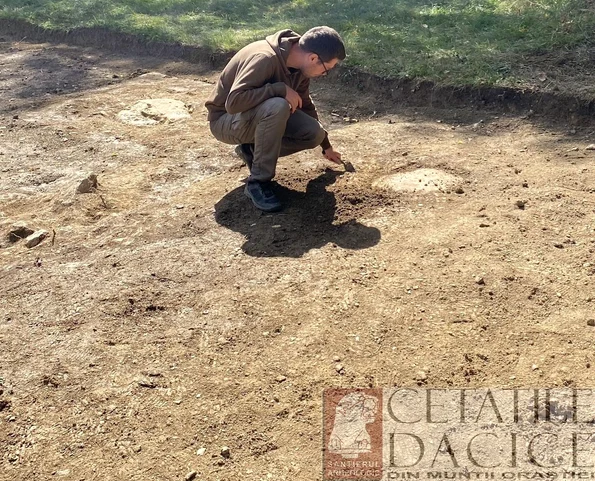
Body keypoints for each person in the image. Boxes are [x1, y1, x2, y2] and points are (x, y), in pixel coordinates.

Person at [205, 26, 346, 212]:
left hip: (253, 118)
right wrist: (279, 89)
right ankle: (258, 183)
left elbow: (305, 104)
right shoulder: (264, 58)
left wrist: (325, 144)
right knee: (277, 106)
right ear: (313, 58)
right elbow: (233, 103)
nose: (324, 75)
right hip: (226, 121)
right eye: (326, 70)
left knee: (314, 133)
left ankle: (252, 151)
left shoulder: (300, 68)